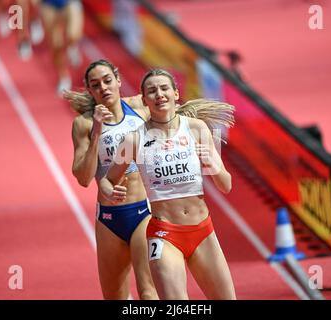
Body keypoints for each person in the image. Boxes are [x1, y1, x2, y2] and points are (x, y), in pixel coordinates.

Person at [99, 69, 236, 300]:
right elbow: (106, 180)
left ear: (175, 93)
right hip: (165, 235)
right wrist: (110, 192)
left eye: (164, 89)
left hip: (203, 230)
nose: (159, 94)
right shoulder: (134, 139)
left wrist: (213, 164)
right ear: (144, 100)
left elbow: (226, 185)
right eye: (151, 91)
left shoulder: (197, 128)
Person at [63, 59, 158, 300]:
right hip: (109, 219)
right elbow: (84, 178)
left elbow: (170, 109)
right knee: (114, 297)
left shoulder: (140, 108)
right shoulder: (83, 124)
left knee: (148, 292)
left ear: (118, 80)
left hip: (143, 213)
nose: (103, 88)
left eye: (107, 81)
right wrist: (96, 132)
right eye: (96, 85)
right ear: (90, 91)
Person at [40, 0, 84, 95]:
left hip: (69, 2)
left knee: (72, 35)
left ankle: (71, 47)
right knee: (56, 45)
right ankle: (63, 77)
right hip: (48, 4)